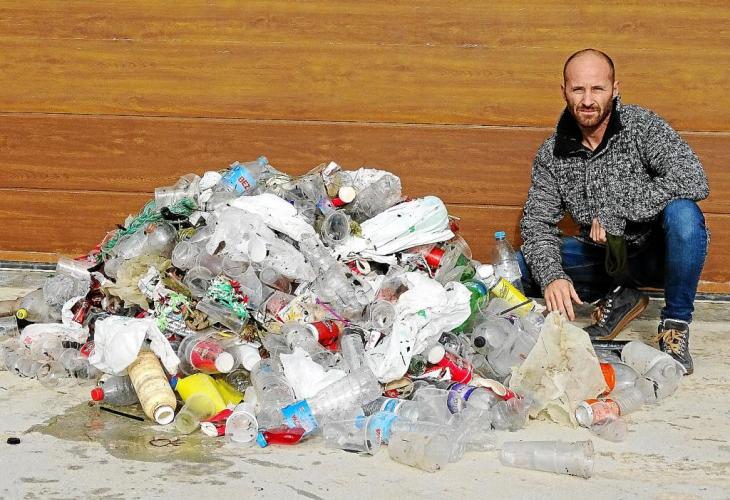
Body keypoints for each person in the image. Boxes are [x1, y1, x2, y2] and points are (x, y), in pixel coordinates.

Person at [517, 48, 709, 374]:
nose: (587, 100)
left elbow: (692, 178)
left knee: (684, 215)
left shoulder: (642, 126)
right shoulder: (552, 153)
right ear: (564, 91)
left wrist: (616, 210)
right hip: (601, 257)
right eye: (578, 89)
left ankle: (675, 324)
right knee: (520, 265)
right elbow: (537, 222)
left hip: (654, 254)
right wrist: (552, 277)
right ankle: (619, 295)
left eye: (597, 89)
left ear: (615, 89)